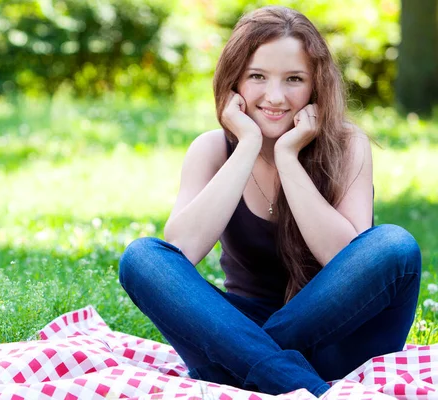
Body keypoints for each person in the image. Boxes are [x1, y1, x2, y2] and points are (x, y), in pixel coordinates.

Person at [118, 5, 422, 397]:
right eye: (257, 76)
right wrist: (246, 146)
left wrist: (287, 158)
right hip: (237, 329)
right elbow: (180, 250)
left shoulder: (347, 146)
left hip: (339, 342)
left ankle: (250, 368)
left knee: (393, 244)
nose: (275, 97)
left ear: (316, 86)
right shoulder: (212, 150)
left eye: (294, 79)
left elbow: (345, 261)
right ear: (234, 82)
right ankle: (299, 385)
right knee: (143, 257)